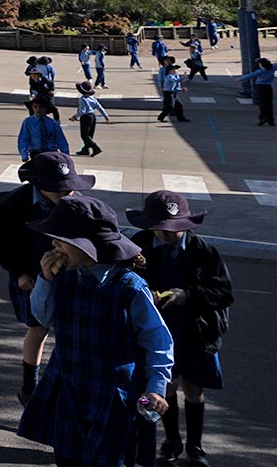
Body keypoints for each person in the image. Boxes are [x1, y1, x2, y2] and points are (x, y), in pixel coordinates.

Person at [17, 196, 173, 467]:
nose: (53, 245)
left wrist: (156, 388)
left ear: (86, 246)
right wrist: (45, 280)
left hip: (112, 395)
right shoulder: (62, 276)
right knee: (67, 459)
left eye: (60, 239)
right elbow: (43, 318)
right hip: (69, 385)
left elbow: (158, 342)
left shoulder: (130, 288)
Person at [126, 190, 234, 467]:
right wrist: (145, 292)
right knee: (166, 387)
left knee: (194, 388)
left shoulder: (203, 250)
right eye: (160, 229)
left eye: (173, 229)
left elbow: (223, 291)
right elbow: (124, 279)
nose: (166, 234)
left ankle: (195, 446)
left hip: (196, 331)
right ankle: (171, 441)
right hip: (158, 331)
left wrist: (187, 295)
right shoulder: (138, 246)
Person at [0, 151, 95, 406]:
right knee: (38, 328)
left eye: (69, 187)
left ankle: (69, 383)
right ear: (39, 184)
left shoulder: (77, 204)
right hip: (32, 277)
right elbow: (0, 243)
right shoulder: (13, 204)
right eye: (58, 188)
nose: (66, 193)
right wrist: (18, 272)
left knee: (72, 330)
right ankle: (30, 386)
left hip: (70, 275)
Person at [17, 97, 71, 162]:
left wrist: (66, 157)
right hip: (35, 152)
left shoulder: (53, 123)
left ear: (46, 108)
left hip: (51, 152)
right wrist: (24, 154)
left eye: (41, 107)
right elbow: (23, 139)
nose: (38, 109)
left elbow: (61, 140)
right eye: (35, 107)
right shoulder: (28, 122)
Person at [70, 82, 111, 157]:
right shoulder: (92, 98)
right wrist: (105, 115)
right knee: (89, 135)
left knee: (84, 135)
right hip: (93, 116)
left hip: (86, 117)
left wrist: (75, 117)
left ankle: (96, 148)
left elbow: (82, 111)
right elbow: (99, 107)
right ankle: (85, 150)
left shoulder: (82, 99)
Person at [156, 57, 190, 123]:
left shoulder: (173, 70)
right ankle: (161, 117)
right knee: (169, 105)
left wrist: (180, 89)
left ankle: (180, 117)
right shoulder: (164, 71)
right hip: (168, 90)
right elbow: (162, 79)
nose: (168, 62)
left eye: (169, 60)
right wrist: (161, 86)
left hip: (173, 90)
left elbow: (177, 80)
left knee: (177, 105)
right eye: (166, 61)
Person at [251, 57, 275, 127]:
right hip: (268, 87)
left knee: (262, 103)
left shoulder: (261, 71)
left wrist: (240, 79)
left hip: (261, 87)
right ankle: (271, 119)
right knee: (269, 103)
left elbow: (250, 75)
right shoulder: (272, 68)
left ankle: (263, 117)